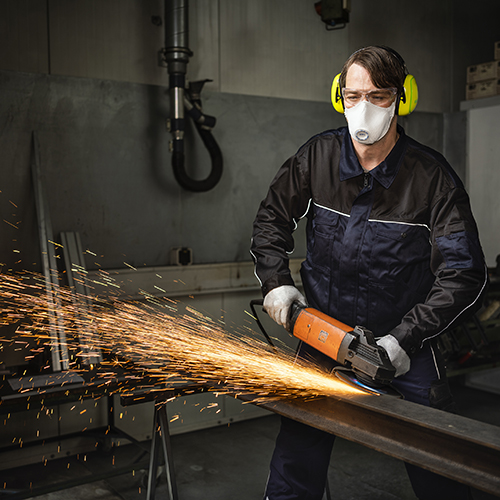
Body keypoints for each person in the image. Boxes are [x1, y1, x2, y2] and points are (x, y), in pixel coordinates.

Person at [250, 46, 488, 500]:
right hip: (325, 335)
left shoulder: (432, 177)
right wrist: (276, 280)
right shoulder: (317, 157)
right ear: (339, 97)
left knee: (439, 463)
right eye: (355, 95)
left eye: (379, 95)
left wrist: (405, 338)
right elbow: (271, 219)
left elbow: (464, 272)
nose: (365, 107)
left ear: (403, 98)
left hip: (405, 347)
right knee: (296, 461)